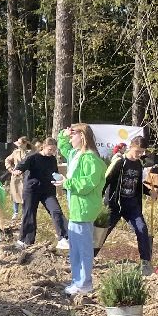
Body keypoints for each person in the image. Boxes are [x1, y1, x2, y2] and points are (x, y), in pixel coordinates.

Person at [57, 123, 105, 295]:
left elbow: (87, 184)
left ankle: (84, 284)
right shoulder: (76, 154)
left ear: (82, 136)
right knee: (75, 249)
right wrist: (63, 135)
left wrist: (66, 183)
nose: (70, 138)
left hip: (84, 209)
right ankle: (78, 281)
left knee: (83, 249)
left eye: (73, 135)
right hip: (77, 208)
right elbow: (63, 147)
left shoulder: (90, 158)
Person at [96, 137, 156, 275]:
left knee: (142, 229)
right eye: (137, 151)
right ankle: (88, 257)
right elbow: (105, 181)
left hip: (132, 205)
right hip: (114, 204)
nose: (140, 154)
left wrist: (148, 192)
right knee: (103, 232)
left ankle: (145, 263)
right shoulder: (119, 162)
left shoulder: (139, 164)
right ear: (131, 147)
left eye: (142, 152)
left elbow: (137, 184)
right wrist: (98, 200)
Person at [16, 138, 68, 250]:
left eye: (54, 150)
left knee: (56, 211)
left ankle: (64, 237)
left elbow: (54, 172)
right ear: (44, 146)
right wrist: (18, 170)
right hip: (32, 189)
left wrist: (59, 179)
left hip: (47, 190)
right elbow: (22, 165)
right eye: (50, 149)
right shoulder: (33, 157)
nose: (52, 152)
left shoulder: (52, 159)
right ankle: (25, 240)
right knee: (29, 213)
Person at [5, 138, 33, 220]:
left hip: (27, 177)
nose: (18, 145)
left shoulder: (30, 153)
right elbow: (7, 160)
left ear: (24, 144)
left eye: (20, 143)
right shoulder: (15, 152)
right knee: (15, 194)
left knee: (25, 196)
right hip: (16, 177)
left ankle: (25, 213)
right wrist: (10, 169)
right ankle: (15, 212)